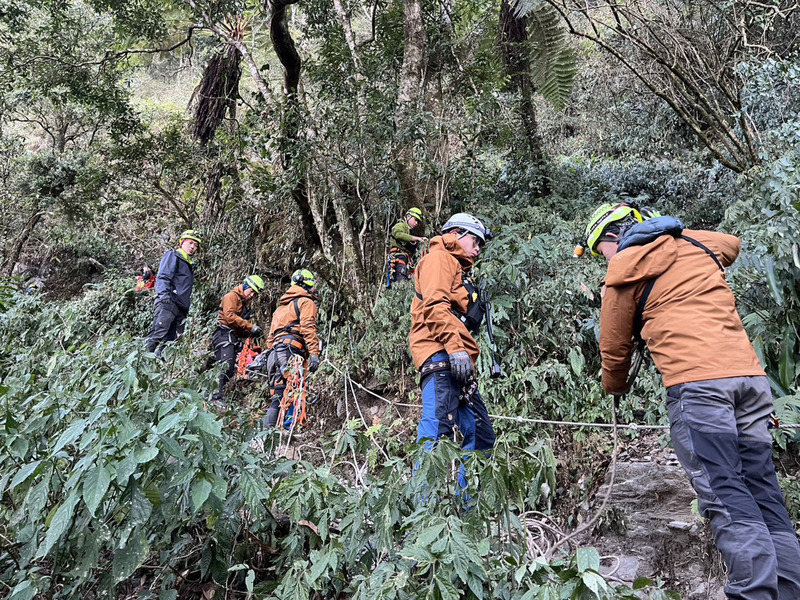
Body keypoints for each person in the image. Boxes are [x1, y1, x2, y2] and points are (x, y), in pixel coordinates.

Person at [586, 203, 800, 600]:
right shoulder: (697, 244)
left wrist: (614, 387)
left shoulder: (622, 271)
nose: (606, 260)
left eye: (602, 251)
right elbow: (730, 244)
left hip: (699, 389)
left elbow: (614, 349)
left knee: (724, 492)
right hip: (751, 384)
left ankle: (754, 593)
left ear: (612, 239)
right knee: (761, 489)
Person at [409, 212, 496, 489]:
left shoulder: (457, 269)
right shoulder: (439, 258)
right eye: (476, 240)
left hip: (457, 360)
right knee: (436, 433)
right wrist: (456, 348)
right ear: (457, 233)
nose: (478, 248)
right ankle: (423, 516)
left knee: (481, 435)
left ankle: (466, 511)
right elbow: (434, 307)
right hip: (442, 355)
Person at [263, 269, 321, 428]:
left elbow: (270, 337)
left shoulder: (280, 308)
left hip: (274, 354)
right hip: (291, 350)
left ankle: (269, 438)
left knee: (278, 396)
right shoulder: (306, 302)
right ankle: (288, 430)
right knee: (294, 389)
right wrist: (314, 353)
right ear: (308, 284)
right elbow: (308, 328)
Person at [211, 275, 265, 402]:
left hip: (232, 336)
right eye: (251, 291)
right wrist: (250, 327)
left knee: (229, 368)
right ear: (245, 287)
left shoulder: (242, 303)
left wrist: (249, 333)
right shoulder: (231, 297)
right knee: (225, 364)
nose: (252, 296)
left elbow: (238, 325)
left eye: (255, 294)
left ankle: (221, 395)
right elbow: (229, 316)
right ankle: (216, 396)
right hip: (223, 335)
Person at [146, 230, 201, 355]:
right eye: (190, 243)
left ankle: (159, 367)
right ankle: (140, 363)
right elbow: (163, 276)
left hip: (181, 308)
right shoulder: (174, 255)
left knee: (171, 342)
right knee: (158, 333)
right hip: (169, 302)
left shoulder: (188, 264)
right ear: (182, 242)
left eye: (196, 245)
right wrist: (164, 295)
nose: (193, 247)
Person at [387, 207, 428, 286]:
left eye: (418, 222)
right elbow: (397, 234)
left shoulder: (409, 232)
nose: (416, 223)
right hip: (398, 257)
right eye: (415, 220)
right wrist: (416, 238)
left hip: (406, 259)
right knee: (400, 281)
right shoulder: (401, 225)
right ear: (408, 216)